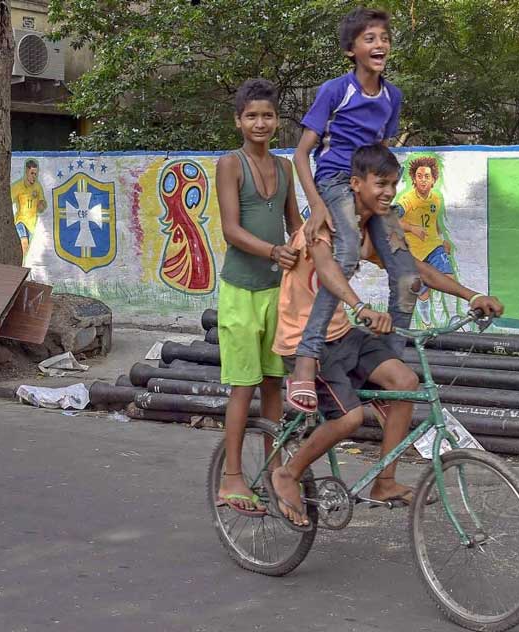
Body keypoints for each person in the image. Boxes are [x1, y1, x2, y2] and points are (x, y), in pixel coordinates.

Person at [269, 144, 503, 528]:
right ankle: (287, 473)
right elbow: (327, 269)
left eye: (393, 185)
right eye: (381, 184)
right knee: (350, 419)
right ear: (355, 184)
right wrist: (361, 307)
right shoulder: (325, 222)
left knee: (405, 382)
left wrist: (472, 295)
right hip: (304, 342)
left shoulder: (368, 230)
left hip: (343, 332)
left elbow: (414, 268)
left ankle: (385, 481)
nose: (389, 193)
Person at [289, 7, 419, 412]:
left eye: (384, 38)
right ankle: (307, 355)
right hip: (334, 181)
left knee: (408, 275)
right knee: (345, 253)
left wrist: (388, 204)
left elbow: (382, 152)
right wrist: (316, 206)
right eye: (370, 38)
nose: (380, 45)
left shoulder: (392, 96)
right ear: (351, 50)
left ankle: (389, 363)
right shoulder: (336, 90)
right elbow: (301, 154)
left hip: (367, 185)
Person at [214, 79, 303, 514]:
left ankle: (274, 470)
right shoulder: (230, 164)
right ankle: (231, 478)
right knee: (244, 386)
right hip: (241, 292)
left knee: (273, 384)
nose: (260, 123)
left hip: (276, 292)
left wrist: (318, 249)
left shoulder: (285, 168)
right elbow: (231, 230)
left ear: (277, 121)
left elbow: (295, 224)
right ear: (238, 121)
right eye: (251, 116)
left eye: (267, 115)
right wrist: (273, 251)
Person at [396, 155, 457, 326]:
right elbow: (392, 218)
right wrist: (412, 228)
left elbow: (434, 222)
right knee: (423, 294)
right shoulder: (407, 199)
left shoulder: (436, 198)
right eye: (419, 176)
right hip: (415, 254)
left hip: (434, 247)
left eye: (427, 176)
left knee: (449, 280)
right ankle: (427, 324)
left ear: (433, 180)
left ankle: (452, 318)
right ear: (414, 179)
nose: (423, 180)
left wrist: (442, 239)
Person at [11, 159, 47, 256]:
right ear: (26, 172)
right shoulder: (17, 186)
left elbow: (42, 203)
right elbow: (7, 199)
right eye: (32, 173)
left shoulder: (37, 186)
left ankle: (22, 264)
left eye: (36, 174)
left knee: (27, 252)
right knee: (24, 244)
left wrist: (41, 205)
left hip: (32, 224)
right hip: (20, 221)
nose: (34, 176)